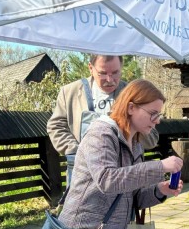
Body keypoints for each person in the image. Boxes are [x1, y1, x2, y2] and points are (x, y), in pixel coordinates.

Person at [58, 79, 183, 229]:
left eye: (159, 114)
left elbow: (133, 198)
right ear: (131, 107)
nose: (157, 120)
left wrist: (160, 190)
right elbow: (108, 180)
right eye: (153, 113)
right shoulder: (100, 134)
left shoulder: (135, 143)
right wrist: (160, 166)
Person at [47, 55, 158, 188]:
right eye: (103, 73)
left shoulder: (134, 95)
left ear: (121, 67)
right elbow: (56, 126)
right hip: (81, 176)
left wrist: (134, 121)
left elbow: (152, 140)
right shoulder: (69, 92)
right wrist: (78, 152)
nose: (110, 80)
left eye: (115, 73)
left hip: (122, 176)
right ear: (90, 68)